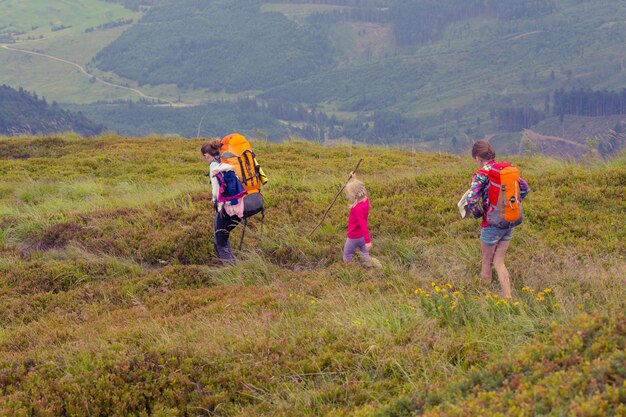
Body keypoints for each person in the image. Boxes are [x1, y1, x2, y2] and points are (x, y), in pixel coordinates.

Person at [466, 140, 530, 298]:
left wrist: (478, 213)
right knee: (499, 261)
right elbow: (525, 188)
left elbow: (471, 199)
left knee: (487, 260)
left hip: (491, 223)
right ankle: (508, 298)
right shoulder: (505, 170)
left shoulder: (482, 174)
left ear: (477, 158)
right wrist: (509, 205)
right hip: (509, 220)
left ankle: (484, 298)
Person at [201, 140, 242, 265]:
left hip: (225, 206)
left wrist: (215, 202)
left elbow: (215, 190)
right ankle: (231, 265)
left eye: (204, 157)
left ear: (207, 155)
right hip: (238, 203)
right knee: (223, 235)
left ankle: (230, 269)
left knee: (219, 239)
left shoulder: (214, 166)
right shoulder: (225, 161)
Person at [343, 175, 374, 267]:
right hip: (362, 237)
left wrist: (368, 241)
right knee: (365, 254)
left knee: (347, 255)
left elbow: (363, 225)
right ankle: (369, 267)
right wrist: (354, 178)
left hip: (354, 237)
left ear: (353, 195)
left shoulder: (356, 208)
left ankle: (349, 268)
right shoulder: (366, 200)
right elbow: (358, 189)